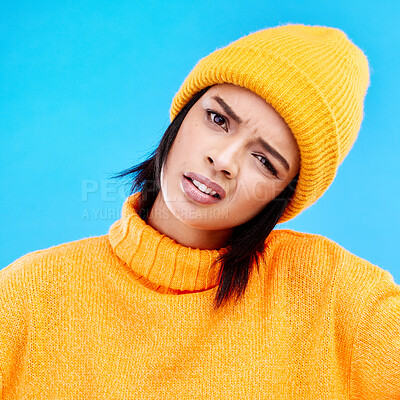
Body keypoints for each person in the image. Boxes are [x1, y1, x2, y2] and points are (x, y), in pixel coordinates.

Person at [0, 24, 399, 399]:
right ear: (184, 113)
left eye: (265, 160)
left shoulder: (331, 293)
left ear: (283, 195)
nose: (223, 159)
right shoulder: (28, 295)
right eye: (218, 119)